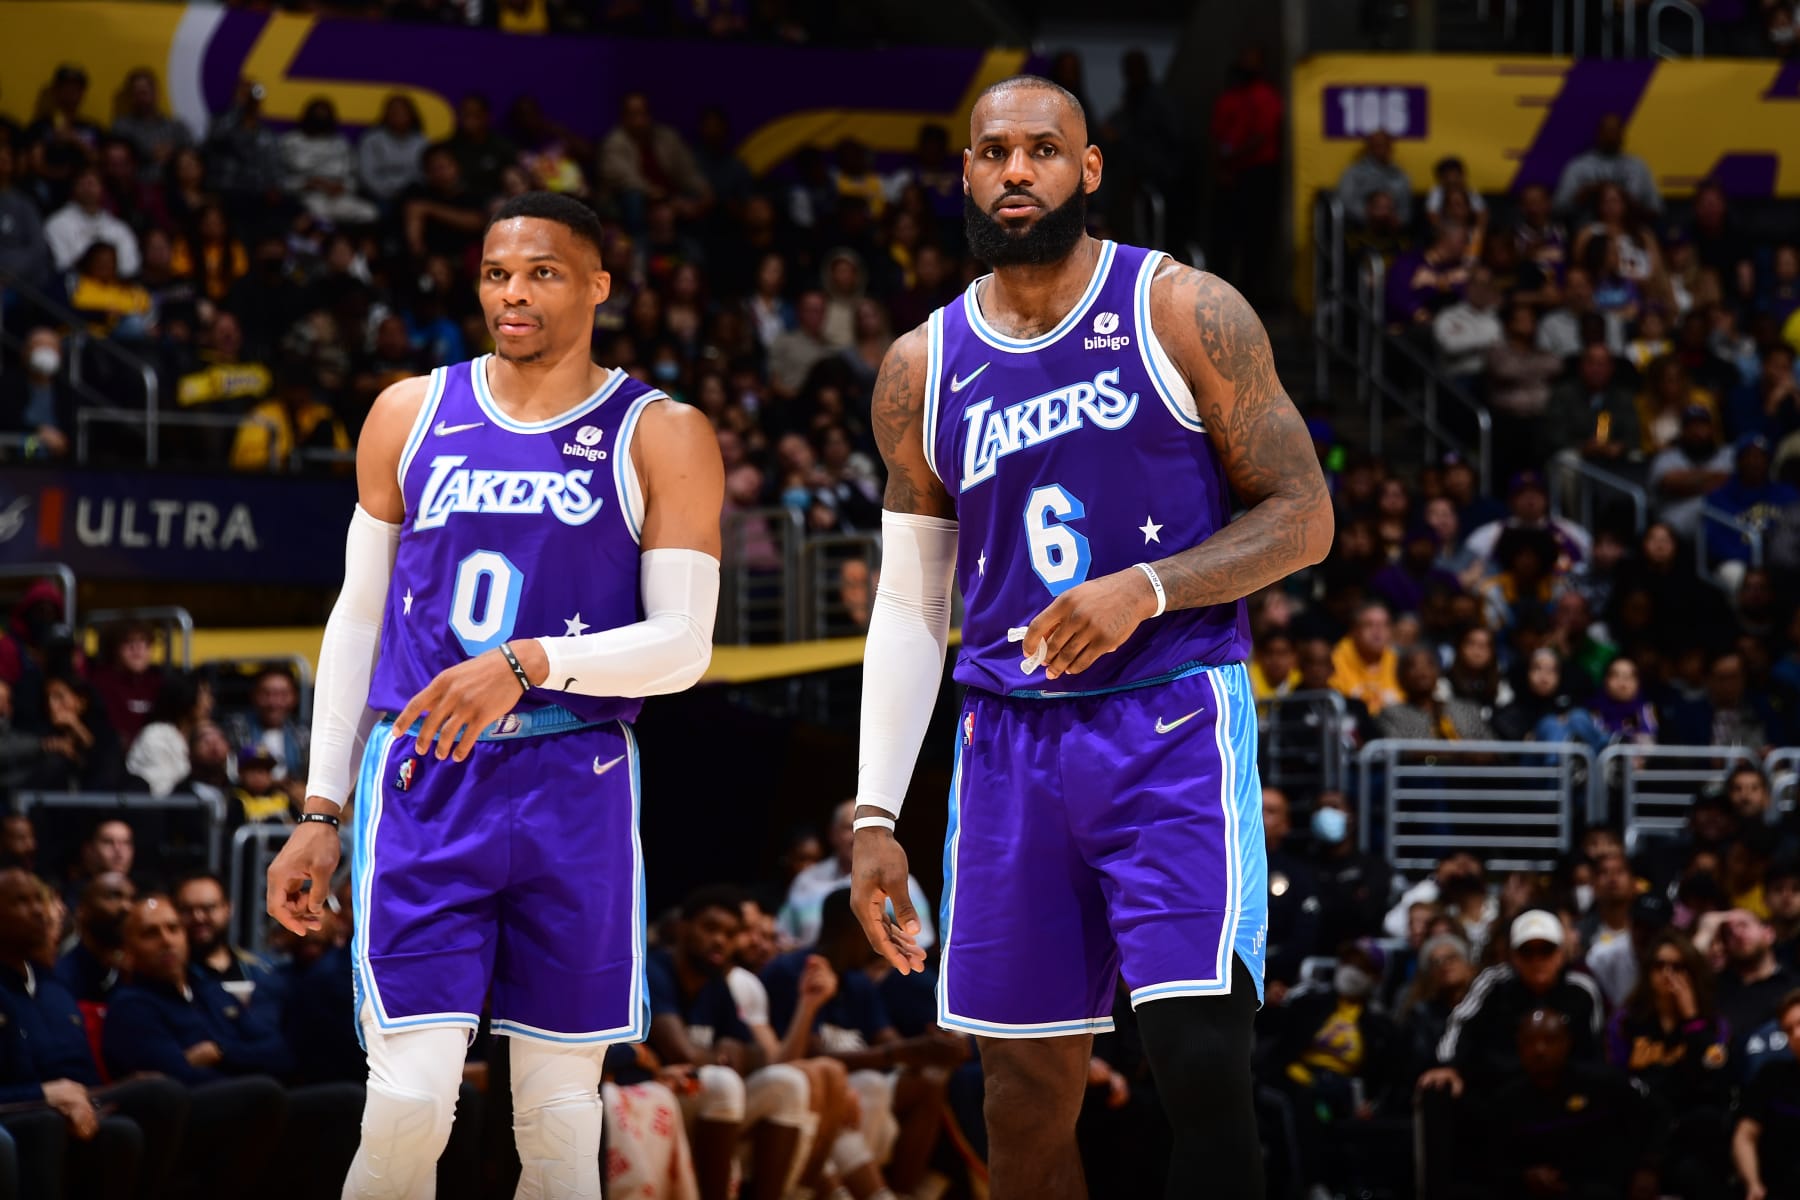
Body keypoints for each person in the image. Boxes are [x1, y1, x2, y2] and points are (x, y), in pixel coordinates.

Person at [850, 75, 1332, 1200]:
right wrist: (875, 811)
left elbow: (1304, 516)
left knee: (1201, 1066)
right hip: (1007, 748)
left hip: (1168, 720)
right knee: (1021, 1104)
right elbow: (915, 607)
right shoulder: (920, 368)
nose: (1018, 171)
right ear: (966, 171)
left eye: (1044, 150)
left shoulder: (1182, 310)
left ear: (1090, 168)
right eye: (995, 152)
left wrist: (1148, 588)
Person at [264, 191, 724, 1199]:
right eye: (496, 274)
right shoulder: (408, 411)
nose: (514, 293)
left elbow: (684, 646)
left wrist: (530, 663)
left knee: (561, 1124)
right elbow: (357, 618)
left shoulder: (663, 431)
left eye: (543, 273)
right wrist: (319, 808)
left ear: (598, 286)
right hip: (427, 777)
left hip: (576, 774)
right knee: (408, 1104)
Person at [778, 800, 934, 951]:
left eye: (867, 827)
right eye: (849, 827)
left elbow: (922, 940)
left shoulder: (900, 880)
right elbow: (784, 938)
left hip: (879, 973)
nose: (858, 835)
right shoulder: (806, 881)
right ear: (833, 834)